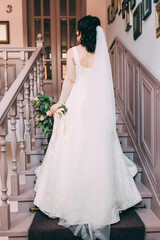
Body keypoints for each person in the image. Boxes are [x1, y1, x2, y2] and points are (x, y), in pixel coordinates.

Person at [34, 15, 142, 240]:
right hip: (97, 107)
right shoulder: (101, 53)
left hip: (78, 103)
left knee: (74, 148)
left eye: (77, 30)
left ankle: (71, 199)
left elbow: (70, 81)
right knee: (97, 150)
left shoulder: (72, 52)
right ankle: (101, 198)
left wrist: (59, 104)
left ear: (80, 31)